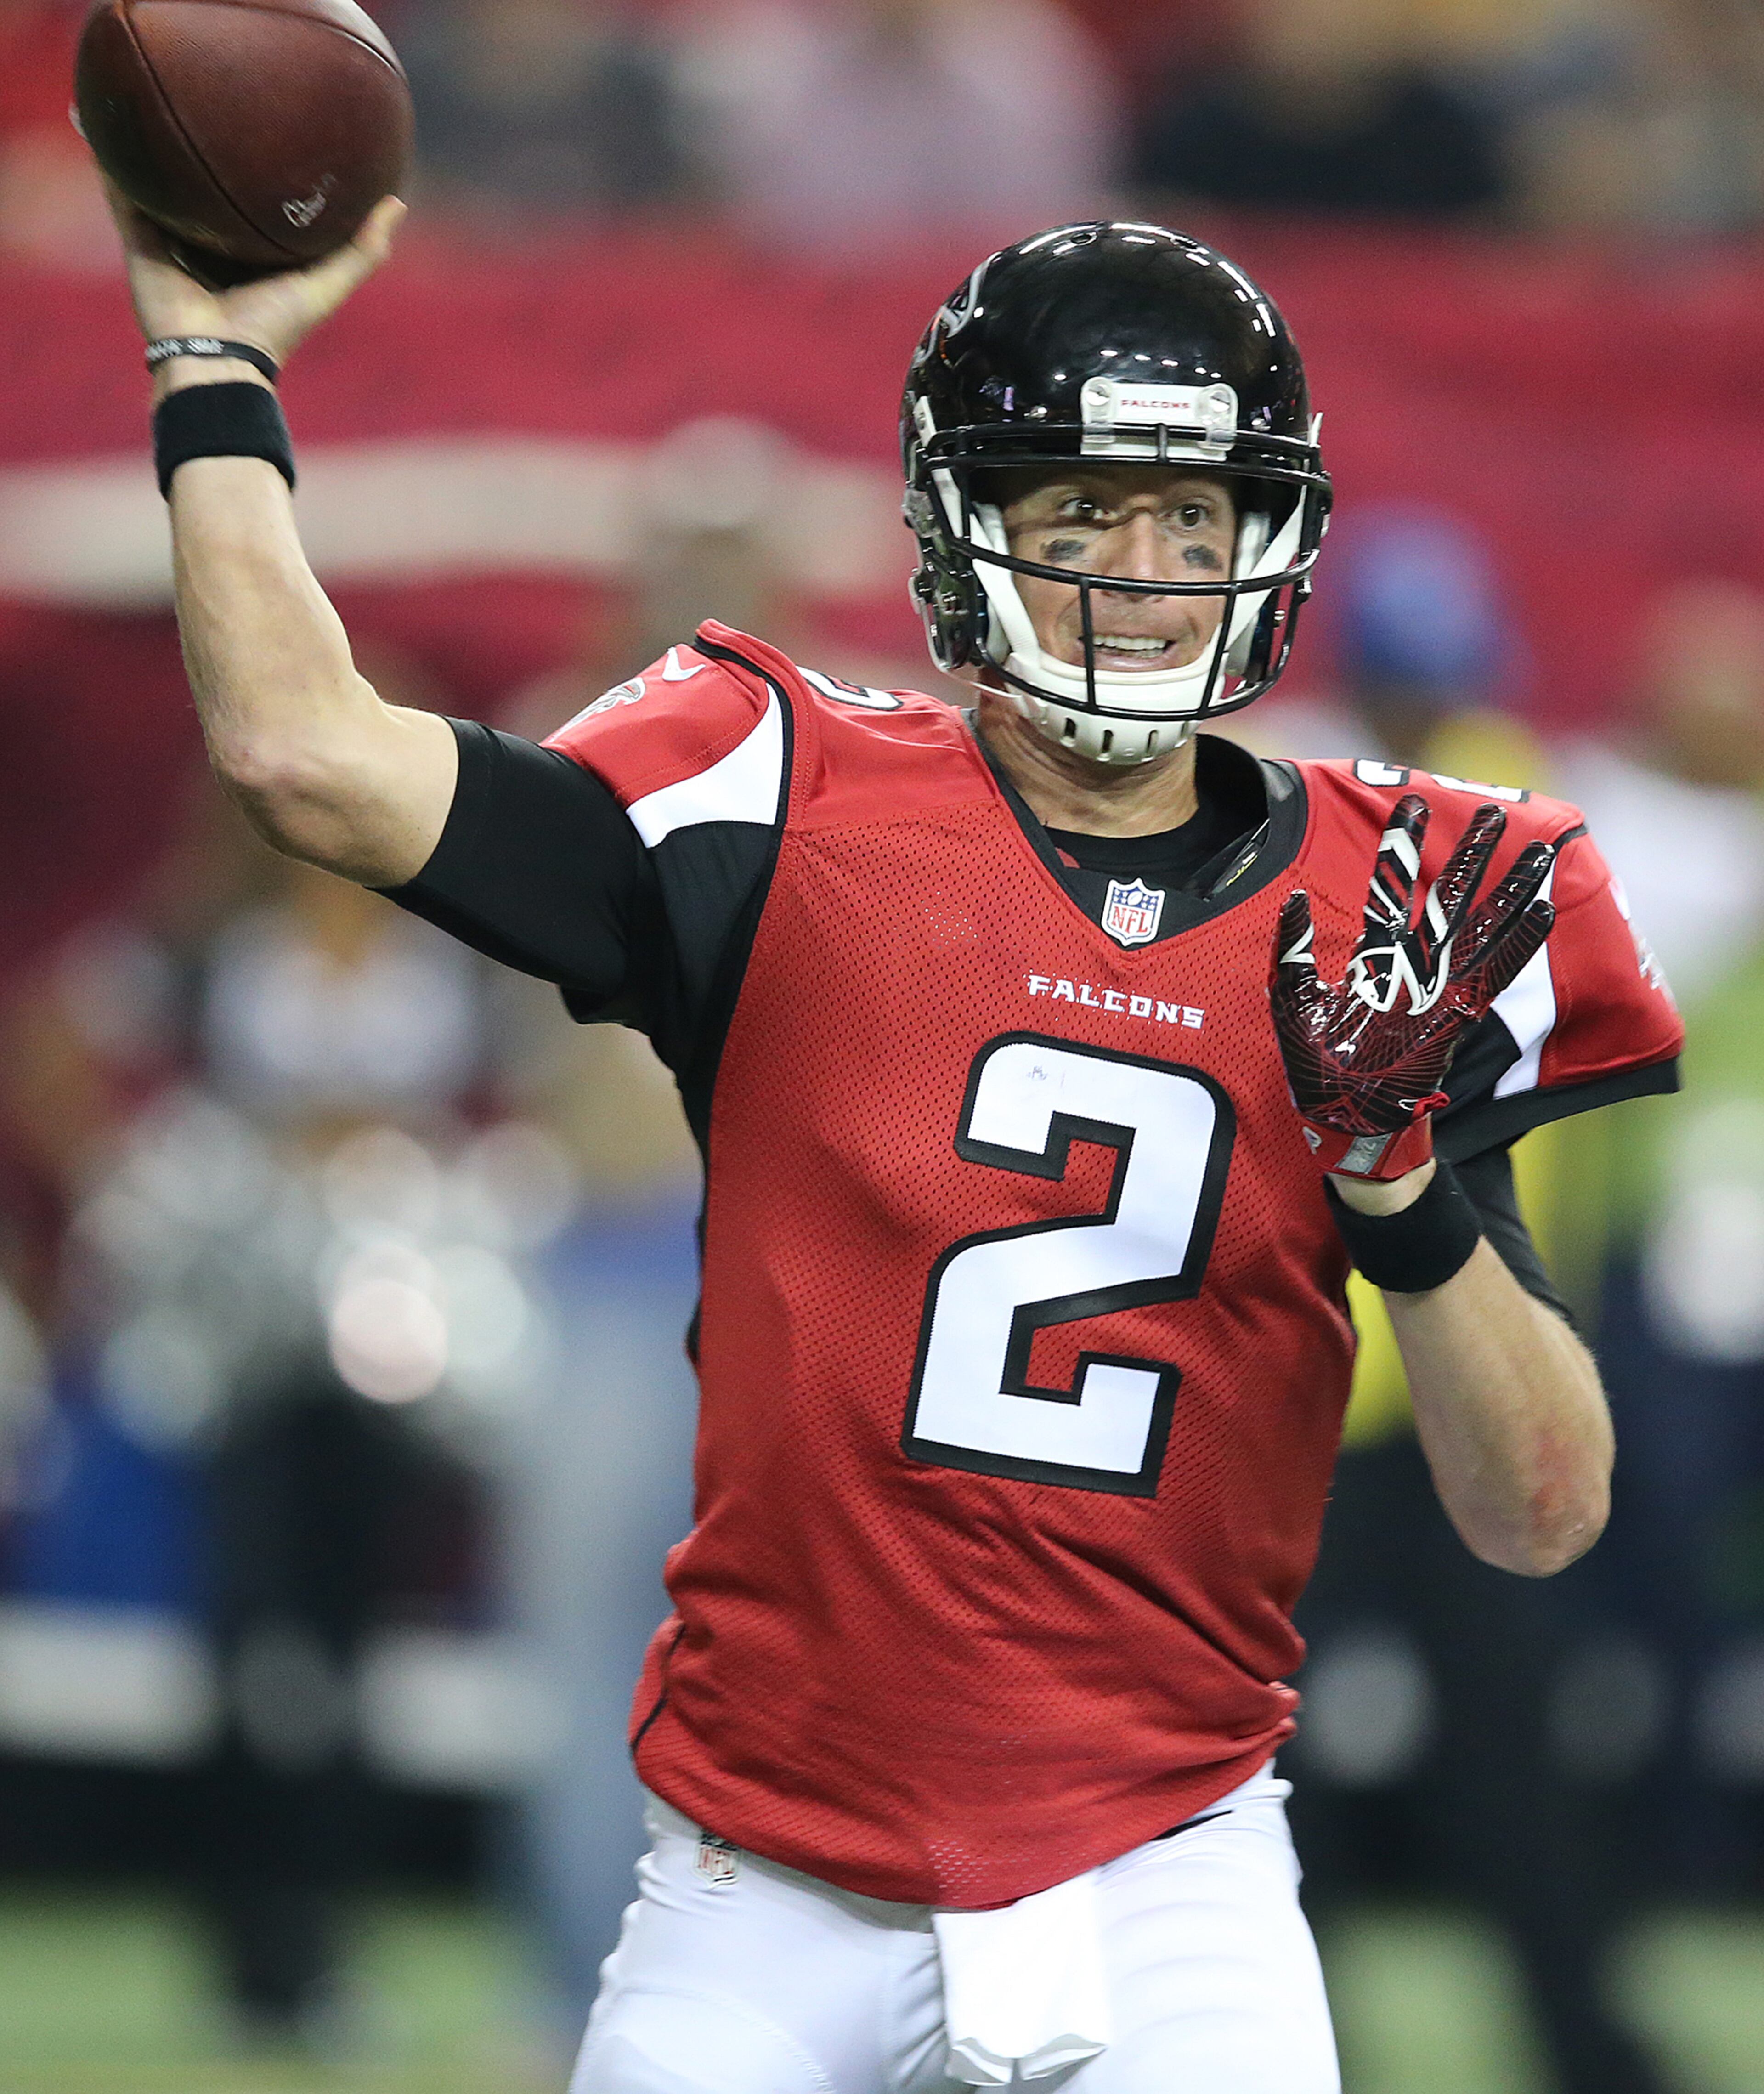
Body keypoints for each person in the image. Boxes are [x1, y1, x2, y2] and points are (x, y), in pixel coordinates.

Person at [103, 200, 1681, 2092]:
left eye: (1191, 517)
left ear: (1270, 538)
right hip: (760, 1886)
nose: (1148, 573)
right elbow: (301, 752)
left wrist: (1402, 1193)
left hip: (1166, 1872)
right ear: (966, 524)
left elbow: (1542, 1510)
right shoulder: (773, 789)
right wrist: (212, 362)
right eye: (1085, 512)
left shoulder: (1400, 903)